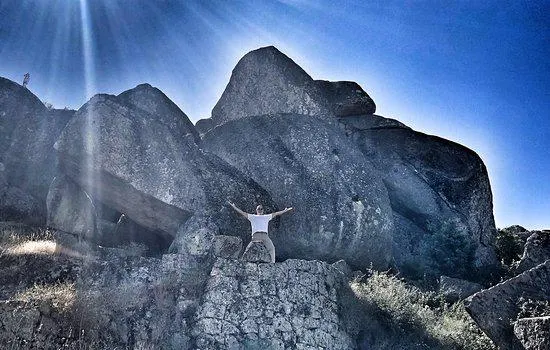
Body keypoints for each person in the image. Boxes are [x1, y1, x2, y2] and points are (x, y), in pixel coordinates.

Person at [227, 200, 293, 263]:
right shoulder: (252, 216)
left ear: (263, 210)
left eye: (261, 209)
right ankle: (242, 262)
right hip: (256, 236)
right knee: (248, 249)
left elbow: (276, 213)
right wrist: (234, 207)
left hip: (265, 236)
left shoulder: (266, 217)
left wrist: (285, 210)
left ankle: (272, 263)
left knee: (271, 248)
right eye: (259, 209)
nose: (260, 210)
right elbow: (242, 213)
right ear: (256, 210)